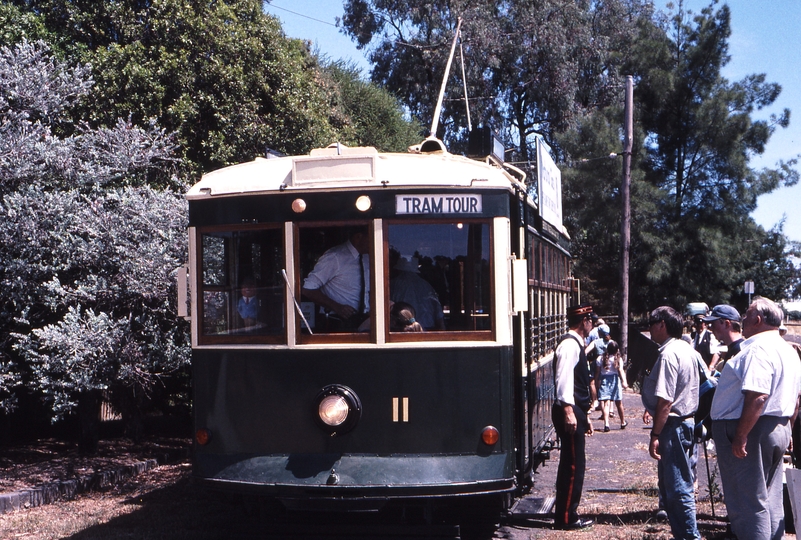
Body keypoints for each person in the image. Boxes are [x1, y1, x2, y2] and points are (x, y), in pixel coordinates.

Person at [710, 297, 801, 540]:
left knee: (747, 500)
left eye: (746, 315)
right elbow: (796, 399)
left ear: (758, 320)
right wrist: (788, 430)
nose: (743, 319)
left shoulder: (758, 348)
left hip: (753, 429)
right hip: (777, 425)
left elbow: (758, 396)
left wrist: (741, 435)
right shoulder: (787, 349)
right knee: (768, 497)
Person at [642, 306, 701, 540]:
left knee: (677, 488)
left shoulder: (669, 354)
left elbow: (665, 400)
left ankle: (689, 536)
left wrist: (654, 434)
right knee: (679, 484)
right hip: (685, 422)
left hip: (674, 425)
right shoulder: (686, 349)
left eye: (651, 324)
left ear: (662, 325)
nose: (649, 330)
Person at [552, 303, 595, 530]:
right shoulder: (570, 345)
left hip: (574, 409)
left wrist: (583, 415)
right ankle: (567, 517)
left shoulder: (575, 344)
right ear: (583, 321)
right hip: (568, 410)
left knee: (574, 463)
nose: (592, 324)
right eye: (590, 320)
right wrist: (569, 411)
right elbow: (564, 381)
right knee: (572, 466)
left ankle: (567, 513)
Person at [302, 228, 370, 331]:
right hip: (338, 323)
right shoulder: (335, 257)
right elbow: (308, 289)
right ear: (358, 237)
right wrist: (337, 307)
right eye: (371, 237)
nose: (374, 241)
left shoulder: (368, 258)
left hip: (365, 321)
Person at [390, 255, 445, 330]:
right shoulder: (426, 285)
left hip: (401, 330)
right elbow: (438, 314)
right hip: (427, 329)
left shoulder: (393, 285)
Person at [596, 340, 628, 432]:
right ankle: (622, 422)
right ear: (617, 350)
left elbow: (597, 372)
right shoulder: (618, 359)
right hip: (615, 381)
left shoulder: (600, 358)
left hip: (604, 380)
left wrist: (597, 382)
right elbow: (621, 371)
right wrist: (624, 381)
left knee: (606, 403)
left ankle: (606, 424)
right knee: (618, 403)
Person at [703, 304, 743, 371]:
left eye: (713, 324)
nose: (711, 328)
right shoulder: (732, 349)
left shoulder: (741, 351)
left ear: (727, 324)